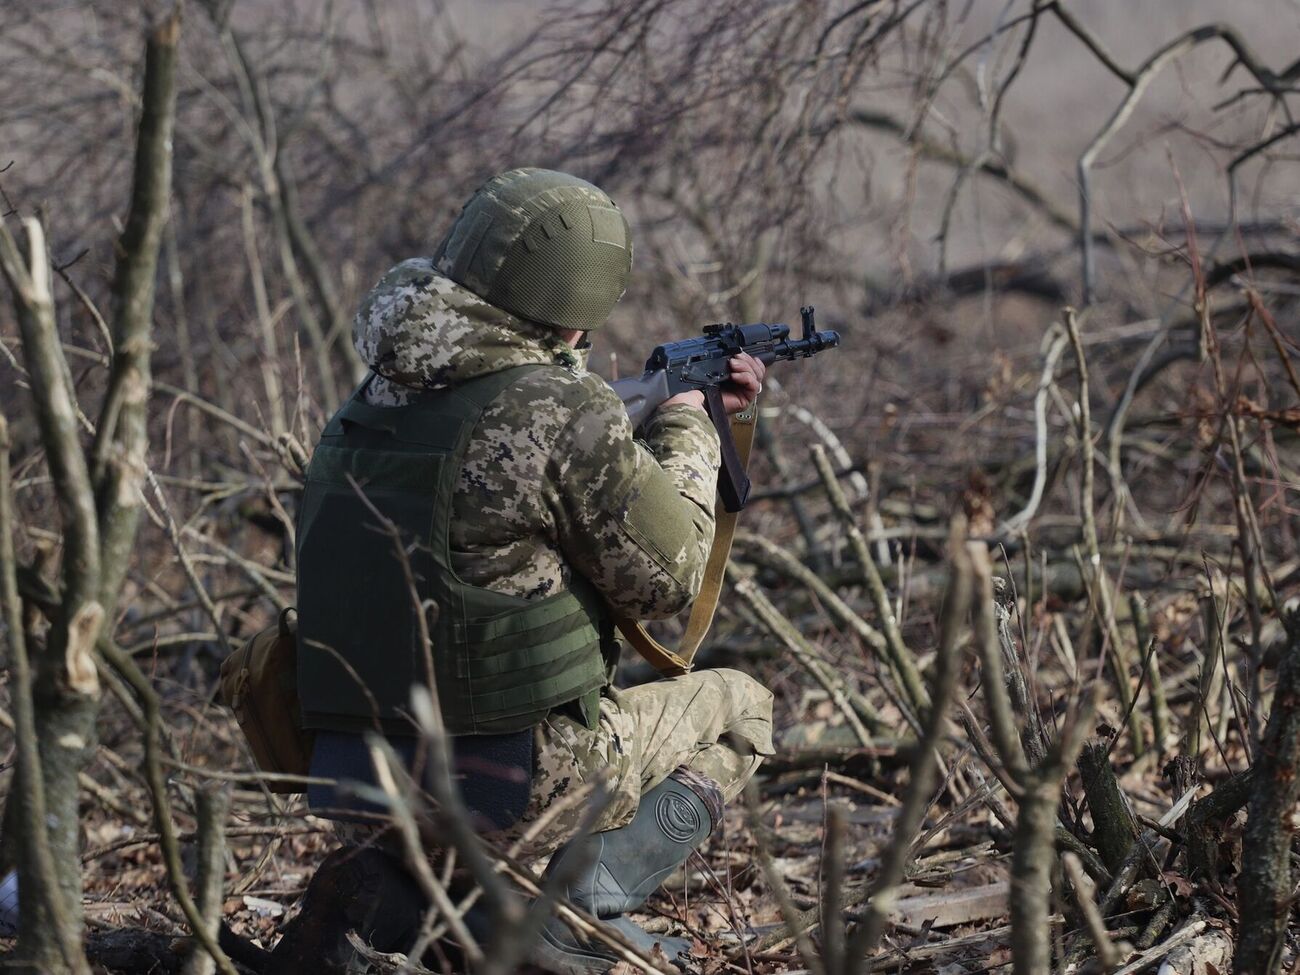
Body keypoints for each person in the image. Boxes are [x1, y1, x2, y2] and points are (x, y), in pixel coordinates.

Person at [268, 168, 774, 974]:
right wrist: (690, 427)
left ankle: (416, 893)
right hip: (507, 781)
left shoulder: (372, 396)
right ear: (581, 299)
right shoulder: (554, 413)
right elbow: (669, 579)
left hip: (353, 776)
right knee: (744, 706)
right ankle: (573, 908)